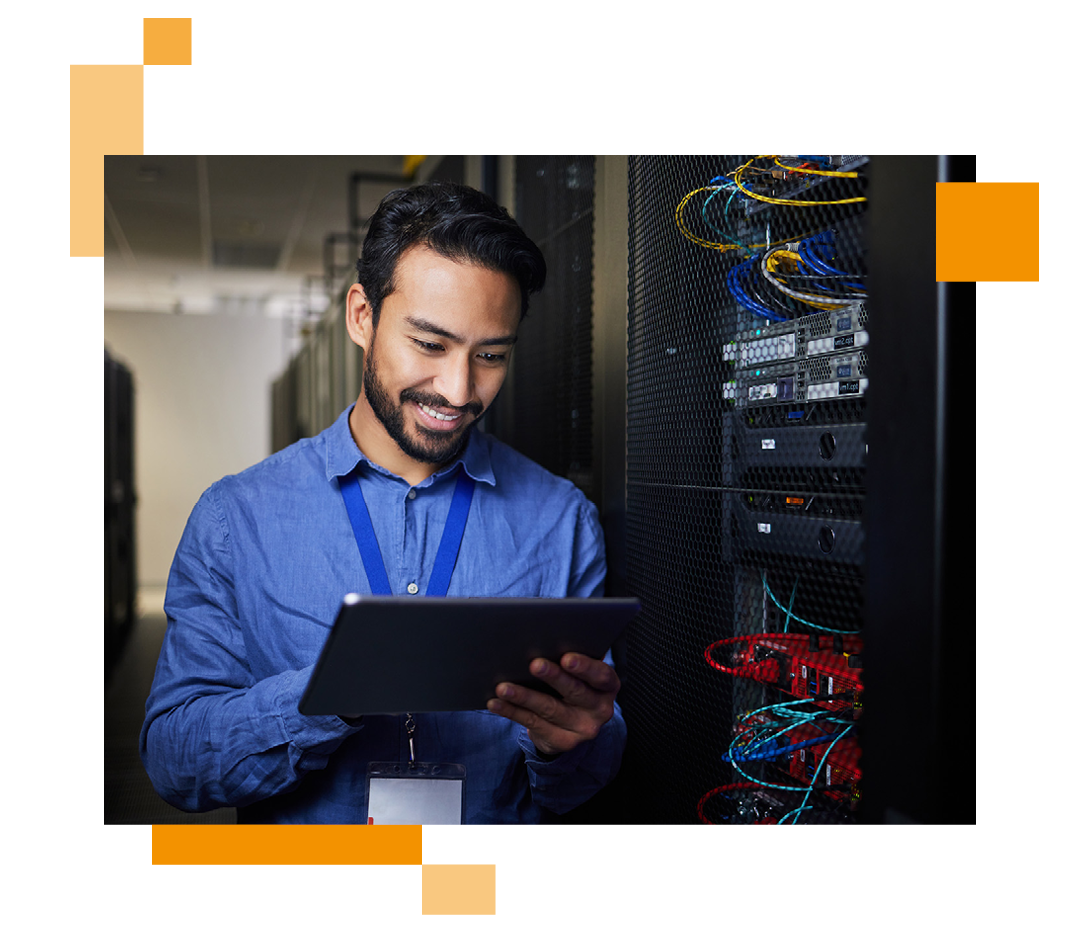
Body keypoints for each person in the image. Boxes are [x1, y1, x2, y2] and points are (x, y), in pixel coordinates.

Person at [140, 182, 626, 824]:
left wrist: (572, 743)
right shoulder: (237, 518)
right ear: (362, 316)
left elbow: (580, 782)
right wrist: (328, 694)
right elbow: (175, 761)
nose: (457, 390)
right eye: (430, 344)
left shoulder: (561, 521)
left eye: (490, 356)